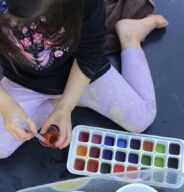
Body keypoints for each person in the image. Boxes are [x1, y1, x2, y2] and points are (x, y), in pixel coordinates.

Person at [0, 0, 168, 158]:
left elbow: (91, 51)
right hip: (23, 80)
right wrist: (6, 105)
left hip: (81, 73)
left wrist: (66, 107)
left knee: (141, 118)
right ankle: (66, 100)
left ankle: (130, 36)